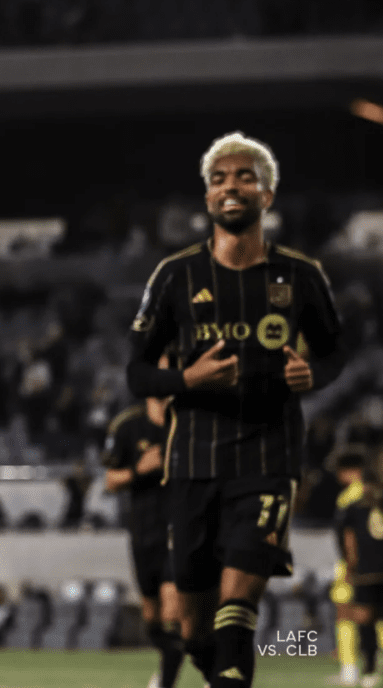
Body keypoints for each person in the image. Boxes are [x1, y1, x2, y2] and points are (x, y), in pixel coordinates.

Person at [127, 131, 346, 688]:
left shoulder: (301, 275)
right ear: (207, 198)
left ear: (266, 195)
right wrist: (187, 379)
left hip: (268, 460)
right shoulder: (175, 275)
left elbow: (334, 352)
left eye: (245, 176)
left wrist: (313, 374)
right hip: (193, 465)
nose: (231, 186)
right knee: (196, 631)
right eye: (219, 179)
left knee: (237, 608)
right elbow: (137, 372)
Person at [102, 378, 184, 688]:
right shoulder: (128, 426)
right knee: (152, 617)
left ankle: (170, 679)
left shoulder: (188, 423)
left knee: (173, 610)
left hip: (180, 531)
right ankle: (171, 663)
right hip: (143, 533)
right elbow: (110, 481)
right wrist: (140, 468)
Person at [329, 445, 380, 686]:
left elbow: (347, 536)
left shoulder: (350, 497)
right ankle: (368, 666)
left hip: (358, 567)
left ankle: (350, 668)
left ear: (349, 470)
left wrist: (350, 566)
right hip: (374, 566)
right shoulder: (376, 492)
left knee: (349, 615)